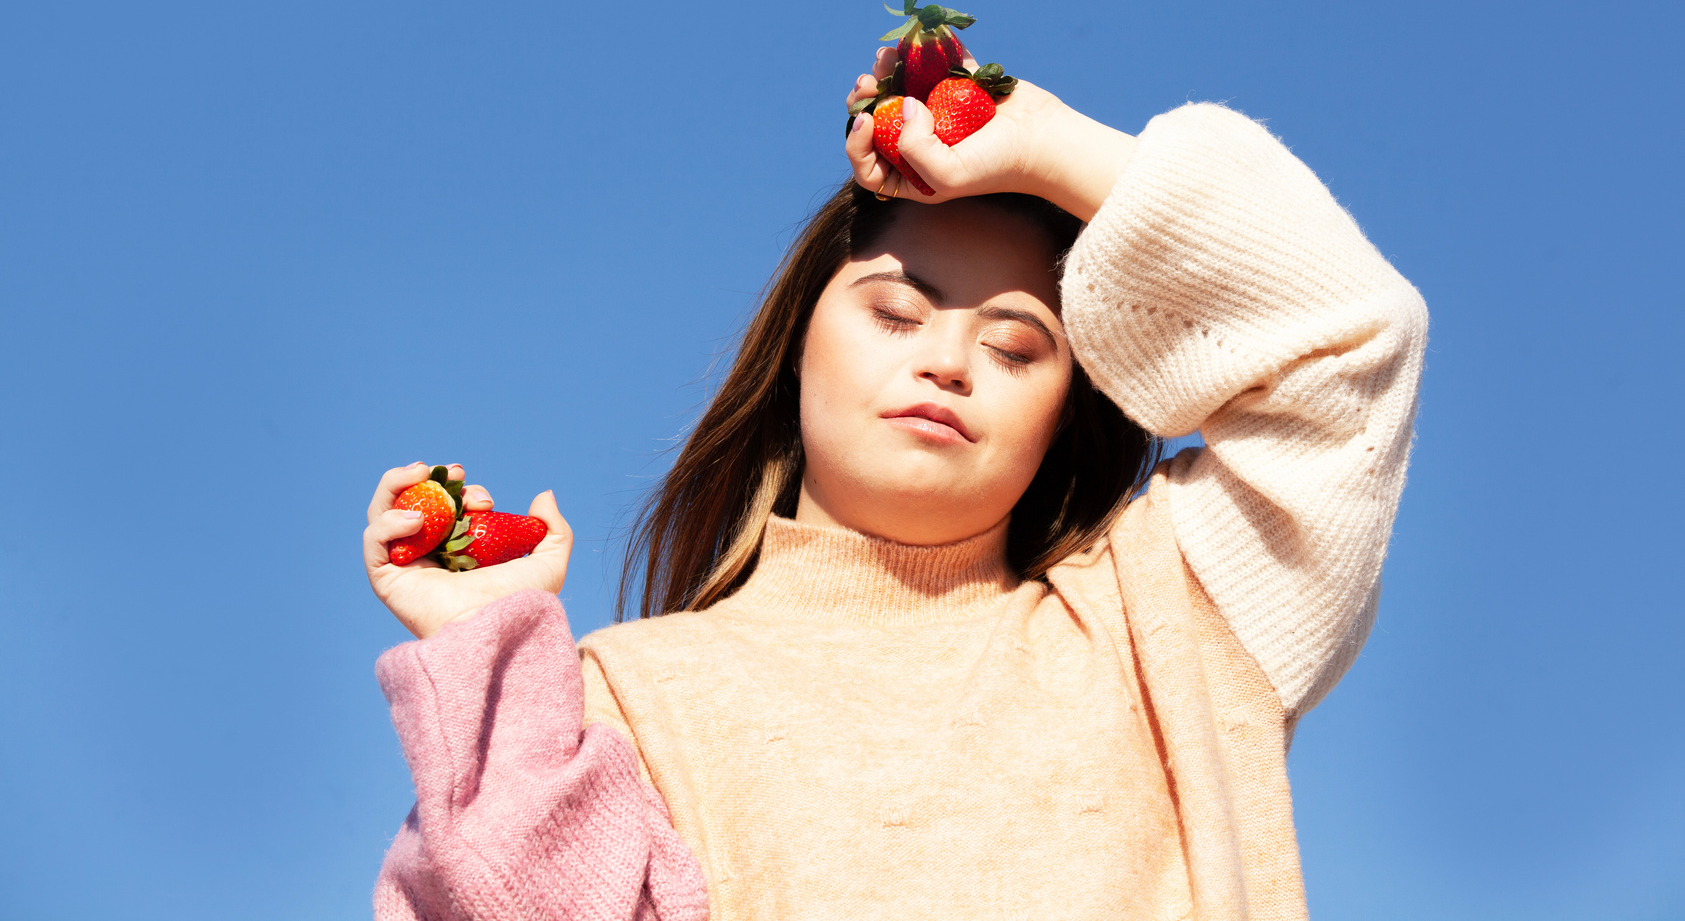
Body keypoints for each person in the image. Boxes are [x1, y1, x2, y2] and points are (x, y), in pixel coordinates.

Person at [362, 46, 1428, 921]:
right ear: (796, 347)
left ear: (1064, 418)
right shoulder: (624, 699)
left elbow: (1346, 342)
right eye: (896, 312)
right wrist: (489, 670)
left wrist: (1049, 146)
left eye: (1016, 347)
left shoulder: (1167, 626)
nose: (947, 361)